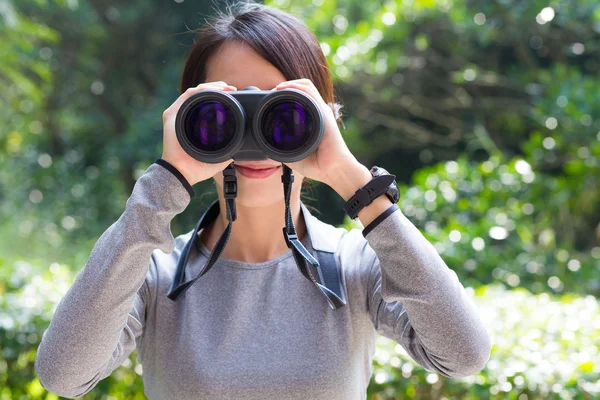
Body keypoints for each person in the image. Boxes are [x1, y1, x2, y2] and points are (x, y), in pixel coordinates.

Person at [34, 2, 491, 399]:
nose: (254, 141)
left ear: (324, 122)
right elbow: (63, 375)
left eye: (281, 113)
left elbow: (464, 354)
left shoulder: (355, 267)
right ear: (187, 120)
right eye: (225, 114)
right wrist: (164, 182)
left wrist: (358, 185)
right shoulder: (156, 273)